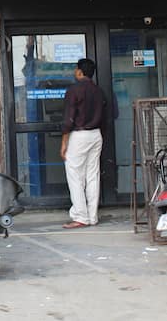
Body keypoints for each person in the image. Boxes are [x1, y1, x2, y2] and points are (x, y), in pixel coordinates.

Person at [59, 58, 106, 229]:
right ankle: (92, 216)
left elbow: (68, 119)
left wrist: (64, 142)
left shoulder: (74, 90)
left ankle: (80, 216)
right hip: (96, 135)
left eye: (75, 69)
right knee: (93, 175)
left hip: (79, 136)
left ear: (79, 71)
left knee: (75, 175)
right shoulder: (99, 91)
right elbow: (109, 115)